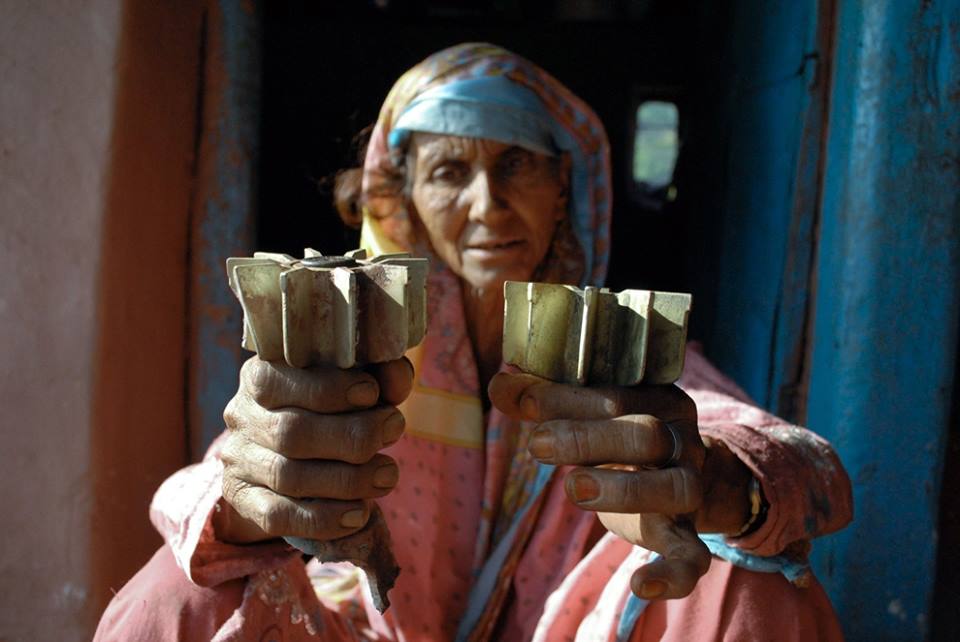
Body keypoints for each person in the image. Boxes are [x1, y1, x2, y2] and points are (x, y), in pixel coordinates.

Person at [95, 43, 852, 641]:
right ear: (405, 199)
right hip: (365, 629)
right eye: (451, 171)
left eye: (516, 164)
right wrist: (246, 501)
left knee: (750, 575)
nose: (487, 204)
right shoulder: (356, 341)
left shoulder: (609, 347)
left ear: (564, 191)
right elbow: (218, 484)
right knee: (179, 590)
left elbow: (797, 463)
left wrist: (722, 483)